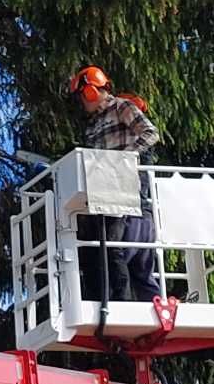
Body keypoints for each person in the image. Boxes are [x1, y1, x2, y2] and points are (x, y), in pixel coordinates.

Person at [68, 64, 160, 309]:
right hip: (106, 191)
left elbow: (150, 134)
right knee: (99, 247)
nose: (83, 103)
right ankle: (103, 299)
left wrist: (123, 159)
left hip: (129, 184)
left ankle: (123, 302)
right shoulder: (93, 125)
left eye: (82, 97)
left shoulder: (122, 107)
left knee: (115, 245)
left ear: (91, 91)